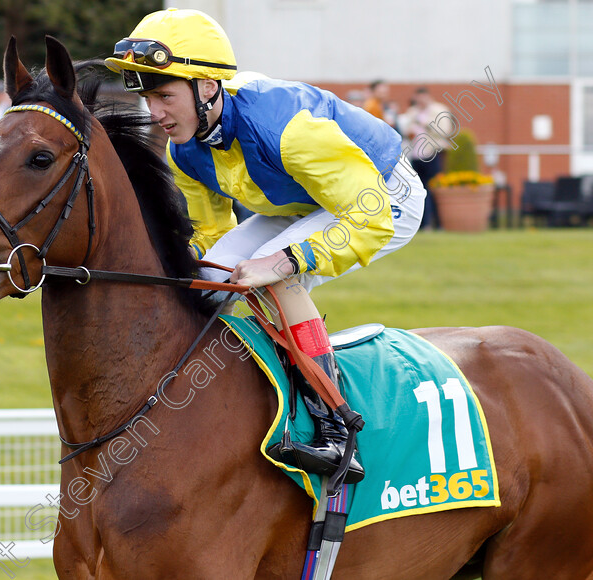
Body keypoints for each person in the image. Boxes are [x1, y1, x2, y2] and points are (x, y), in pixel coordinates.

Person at [106, 8, 426, 479]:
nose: (154, 114)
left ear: (207, 87)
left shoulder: (286, 129)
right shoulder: (184, 149)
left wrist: (286, 261)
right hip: (304, 201)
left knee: (275, 278)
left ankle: (337, 430)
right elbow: (209, 238)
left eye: (164, 95)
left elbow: (369, 216)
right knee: (209, 283)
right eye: (147, 97)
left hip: (381, 196)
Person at [398, 87, 449, 230]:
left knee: (434, 189)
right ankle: (423, 224)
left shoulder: (438, 110)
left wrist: (425, 124)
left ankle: (438, 223)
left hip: (432, 154)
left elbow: (445, 131)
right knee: (419, 191)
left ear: (427, 97)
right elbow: (405, 130)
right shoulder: (412, 112)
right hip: (415, 155)